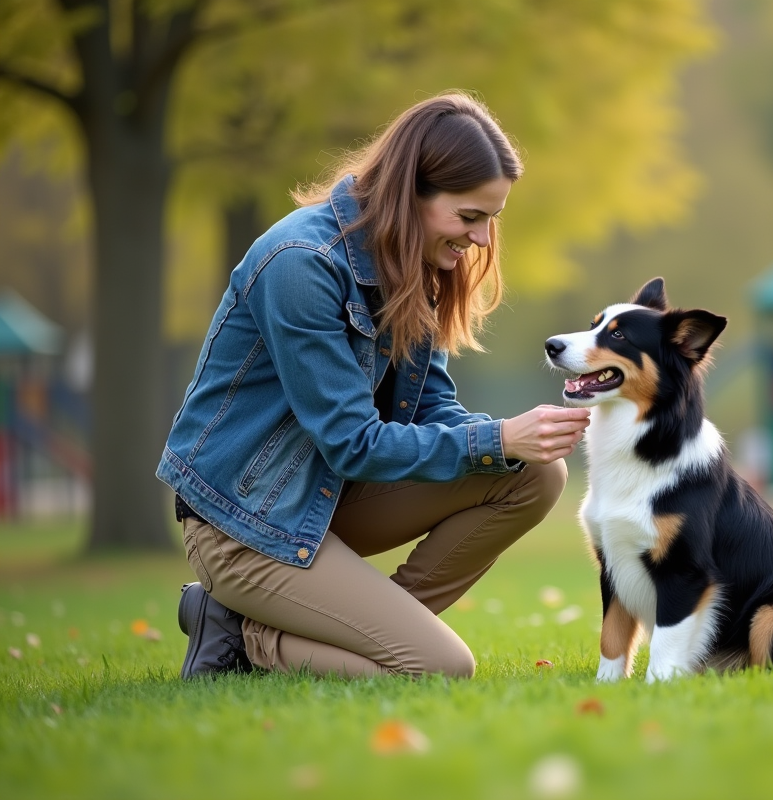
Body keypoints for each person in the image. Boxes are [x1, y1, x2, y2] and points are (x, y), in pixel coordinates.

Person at [157, 92, 590, 680]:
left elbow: (433, 406)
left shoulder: (411, 261)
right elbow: (351, 442)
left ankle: (347, 627)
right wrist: (498, 438)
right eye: (469, 217)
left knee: (535, 475)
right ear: (411, 191)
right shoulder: (300, 263)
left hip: (328, 498)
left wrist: (510, 439)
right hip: (248, 521)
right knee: (440, 667)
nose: (483, 240)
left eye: (492, 218)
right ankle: (244, 635)